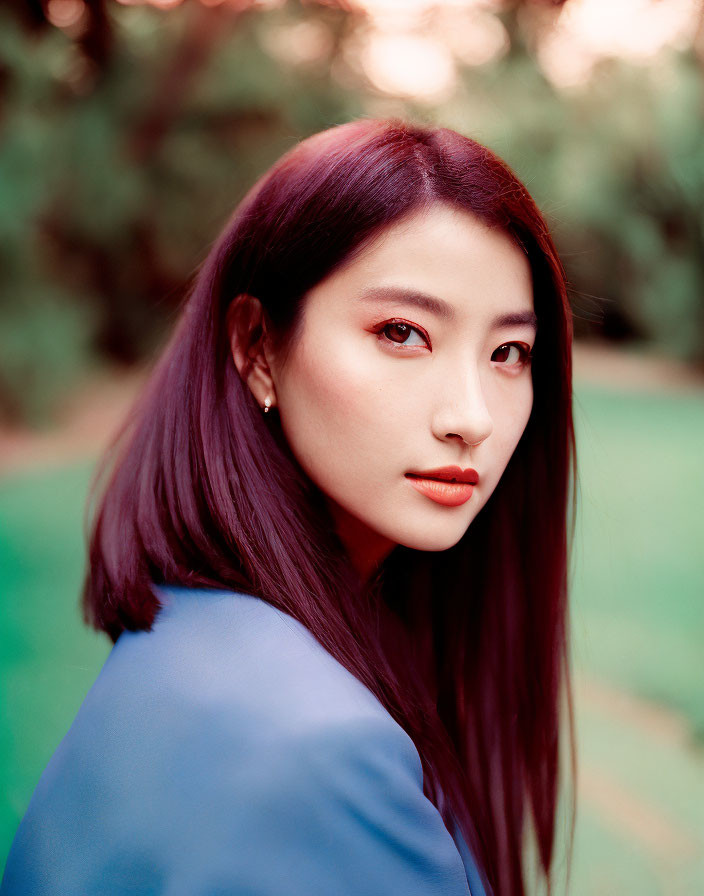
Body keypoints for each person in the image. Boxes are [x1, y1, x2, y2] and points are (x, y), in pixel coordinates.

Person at [1, 117, 576, 896]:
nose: (471, 416)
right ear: (257, 345)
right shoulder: (321, 749)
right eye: (402, 332)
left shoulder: (193, 625)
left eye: (509, 352)